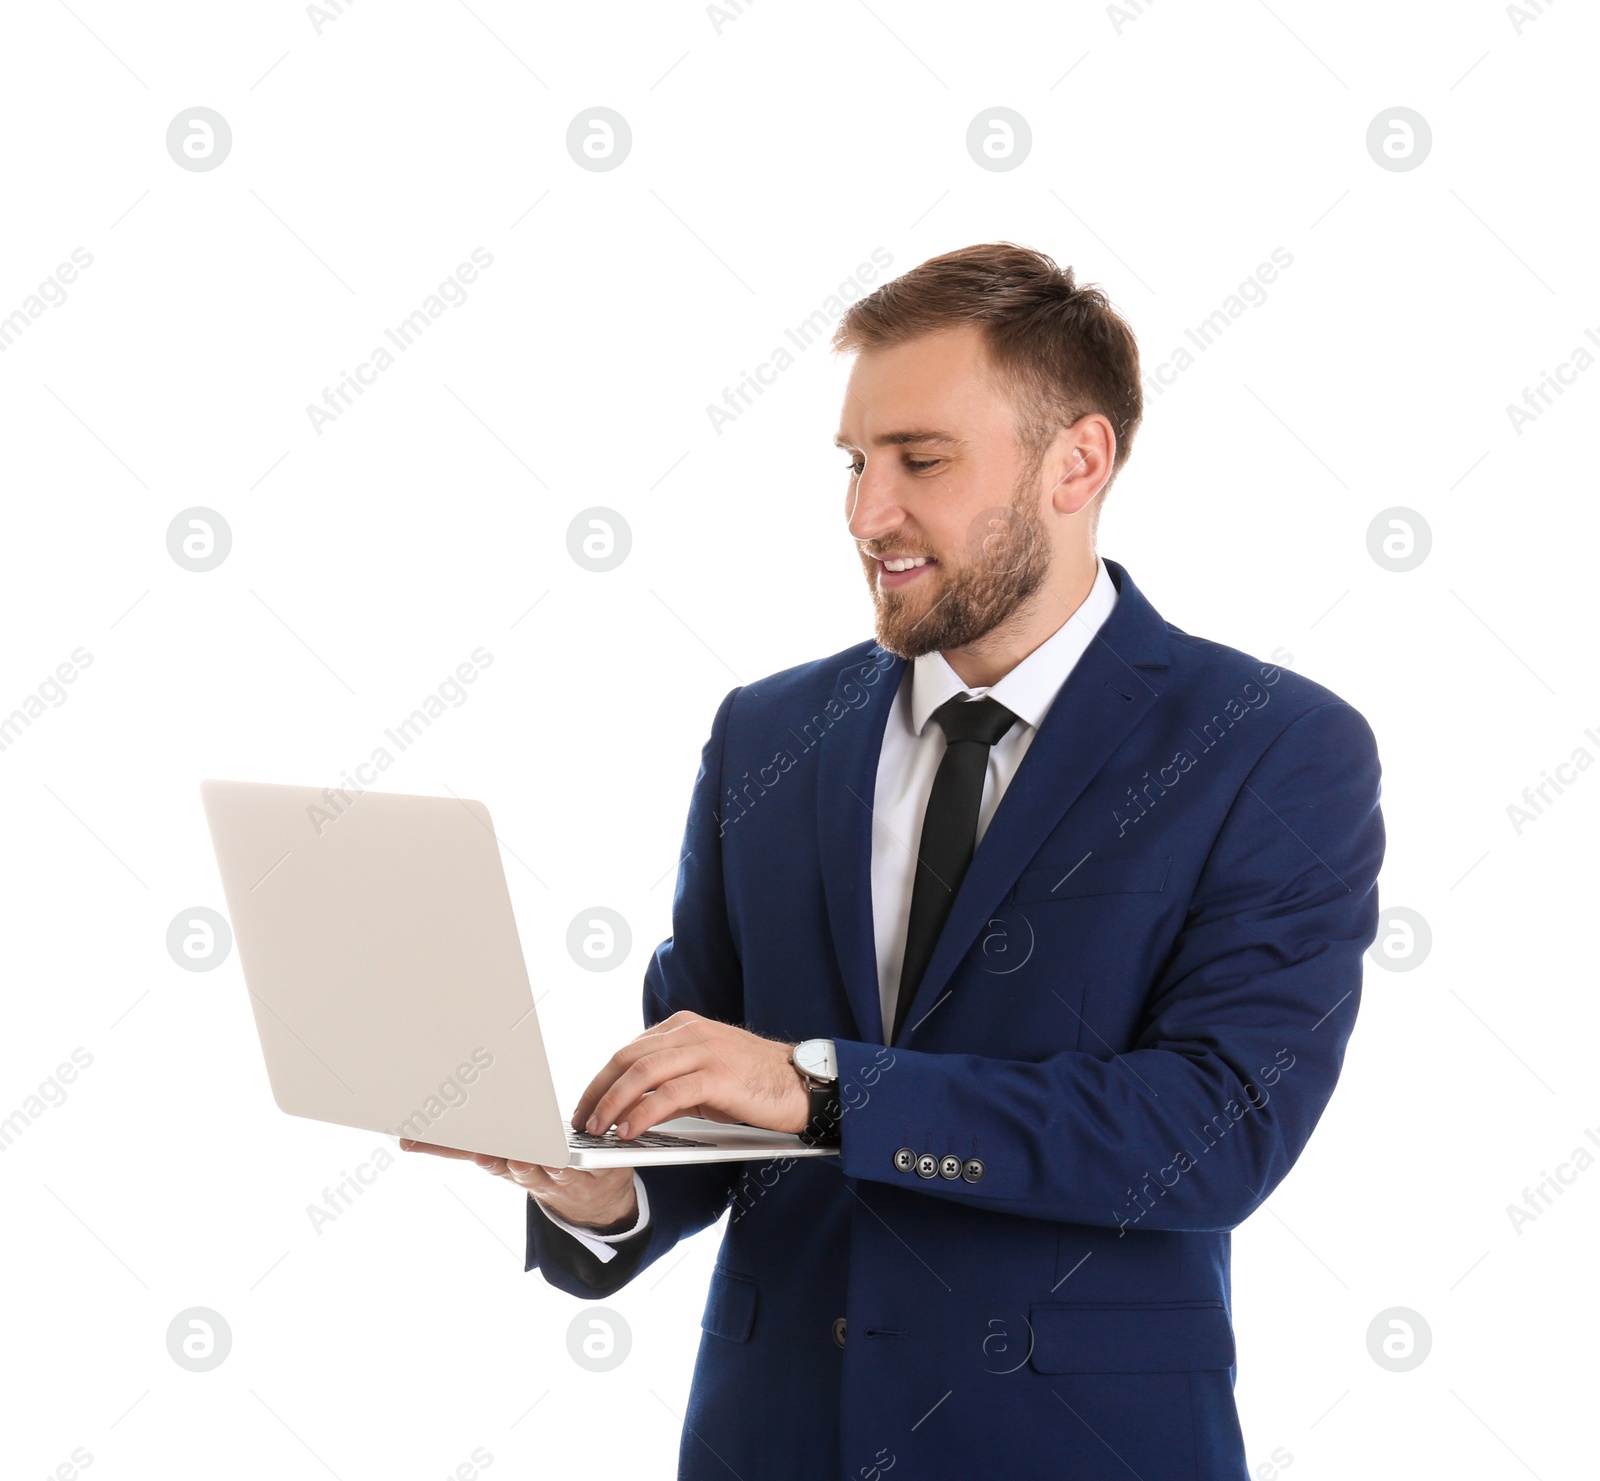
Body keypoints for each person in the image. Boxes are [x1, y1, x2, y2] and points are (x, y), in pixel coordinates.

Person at [404, 242, 1385, 1479]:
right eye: (856, 463)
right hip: (771, 1440)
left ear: (1077, 462)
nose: (868, 513)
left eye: (921, 460)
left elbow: (1211, 1130)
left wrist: (825, 1089)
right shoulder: (767, 731)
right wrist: (605, 1187)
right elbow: (721, 1088)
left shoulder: (1271, 747)